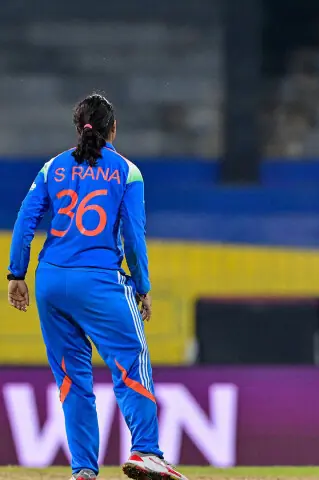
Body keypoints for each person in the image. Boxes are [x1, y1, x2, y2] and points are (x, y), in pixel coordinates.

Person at [6, 93, 189, 480]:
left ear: (78, 128)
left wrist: (15, 275)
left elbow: (25, 219)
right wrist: (142, 285)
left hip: (51, 281)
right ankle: (145, 451)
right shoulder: (127, 171)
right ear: (114, 129)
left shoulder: (52, 167)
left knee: (73, 379)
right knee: (131, 362)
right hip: (101, 281)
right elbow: (134, 236)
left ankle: (84, 471)